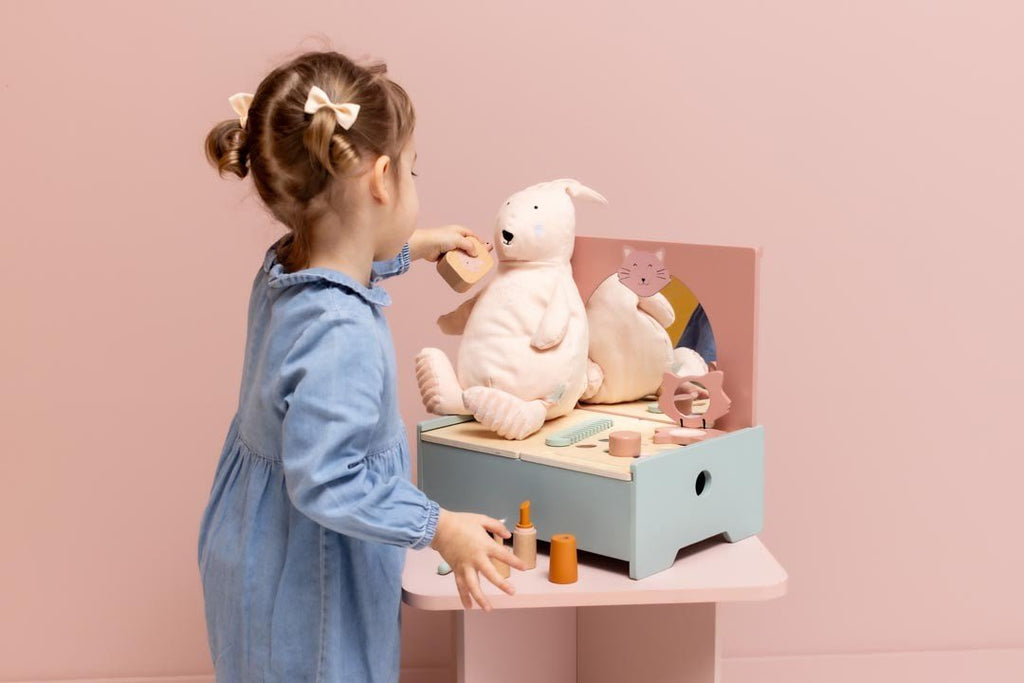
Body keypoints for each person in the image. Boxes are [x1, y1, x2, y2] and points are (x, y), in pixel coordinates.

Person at [197, 50, 526, 682]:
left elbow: (341, 265)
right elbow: (329, 481)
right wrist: (439, 527)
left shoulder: (287, 267)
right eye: (411, 169)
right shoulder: (342, 334)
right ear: (381, 179)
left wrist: (414, 247)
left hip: (254, 539)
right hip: (312, 565)